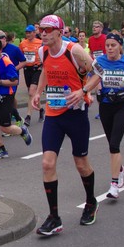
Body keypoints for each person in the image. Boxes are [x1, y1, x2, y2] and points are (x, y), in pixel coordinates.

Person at [29, 15, 97, 235]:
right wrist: (38, 92)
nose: (43, 33)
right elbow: (46, 71)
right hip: (54, 114)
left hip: (76, 114)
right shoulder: (43, 51)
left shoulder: (74, 50)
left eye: (48, 30)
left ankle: (91, 202)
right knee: (47, 164)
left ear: (60, 31)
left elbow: (98, 73)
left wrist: (83, 91)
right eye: (42, 29)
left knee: (81, 164)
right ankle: (54, 217)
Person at [82, 33, 124, 200]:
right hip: (106, 105)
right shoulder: (99, 61)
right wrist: (88, 92)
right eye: (107, 45)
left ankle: (114, 184)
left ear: (119, 46)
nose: (110, 48)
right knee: (111, 143)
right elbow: (91, 78)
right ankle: (120, 169)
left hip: (123, 105)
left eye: (113, 45)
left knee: (114, 144)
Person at [20, 25, 44, 126]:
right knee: (33, 94)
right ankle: (41, 109)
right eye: (26, 33)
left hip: (37, 69)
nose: (28, 34)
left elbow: (45, 54)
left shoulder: (40, 42)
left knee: (31, 93)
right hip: (27, 69)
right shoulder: (22, 43)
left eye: (30, 32)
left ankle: (28, 116)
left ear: (34, 33)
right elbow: (21, 56)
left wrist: (42, 65)